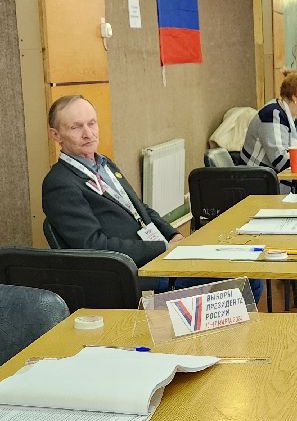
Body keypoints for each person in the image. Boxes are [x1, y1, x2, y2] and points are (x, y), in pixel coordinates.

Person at [42, 95, 262, 300]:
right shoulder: (60, 184)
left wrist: (172, 234)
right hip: (135, 273)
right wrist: (162, 247)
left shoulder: (104, 164)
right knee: (246, 280)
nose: (88, 133)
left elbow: (140, 208)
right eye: (76, 127)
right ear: (55, 135)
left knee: (248, 268)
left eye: (92, 123)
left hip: (158, 257)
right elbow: (93, 246)